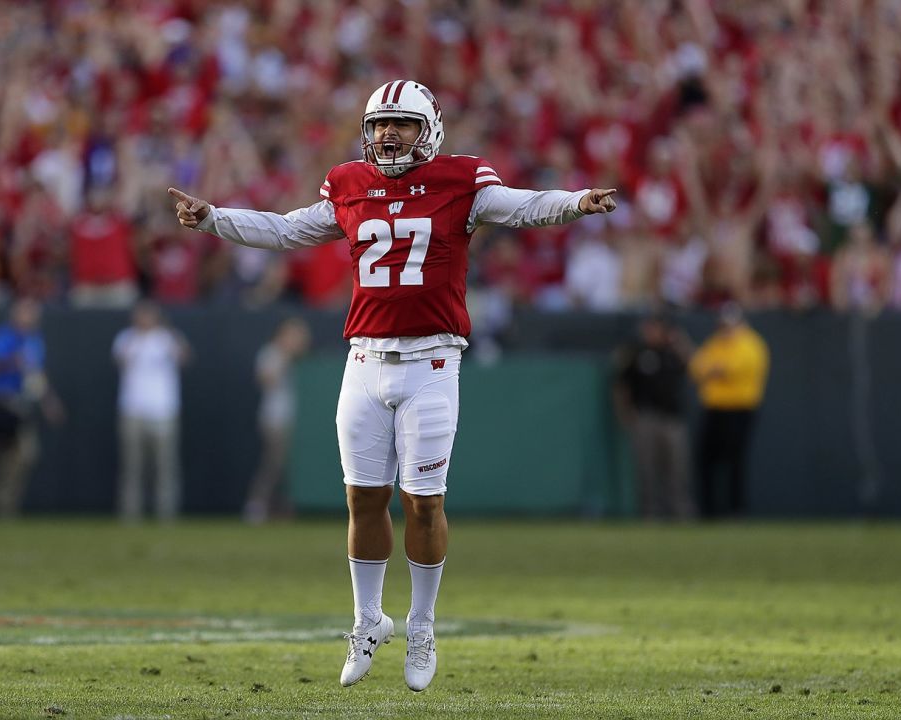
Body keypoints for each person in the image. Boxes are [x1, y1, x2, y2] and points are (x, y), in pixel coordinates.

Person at [168, 80, 618, 692]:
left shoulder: (462, 180)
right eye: (380, 123)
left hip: (433, 361)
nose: (388, 134)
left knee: (425, 501)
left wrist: (575, 202)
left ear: (429, 127)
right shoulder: (350, 183)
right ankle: (367, 619)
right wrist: (215, 218)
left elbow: (521, 205)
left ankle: (423, 622)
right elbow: (286, 229)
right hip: (363, 361)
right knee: (362, 499)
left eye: (402, 123)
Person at [112, 301, 192, 521]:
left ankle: (166, 513)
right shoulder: (126, 338)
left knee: (165, 466)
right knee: (132, 466)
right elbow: (120, 360)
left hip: (163, 411)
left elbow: (185, 357)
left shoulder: (167, 339)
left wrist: (169, 333)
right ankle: (130, 513)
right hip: (133, 409)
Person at [688, 303, 770, 518]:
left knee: (735, 460)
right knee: (706, 460)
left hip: (739, 409)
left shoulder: (751, 343)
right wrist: (713, 370)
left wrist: (715, 370)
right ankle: (708, 511)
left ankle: (736, 509)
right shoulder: (715, 343)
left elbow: (731, 369)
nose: (726, 329)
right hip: (714, 408)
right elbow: (697, 367)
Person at [613, 316, 696, 521]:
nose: (651, 333)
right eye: (649, 328)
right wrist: (625, 412)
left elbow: (695, 365)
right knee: (646, 468)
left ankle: (680, 512)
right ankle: (650, 513)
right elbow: (621, 384)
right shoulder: (636, 353)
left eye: (656, 329)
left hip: (672, 417)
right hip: (646, 416)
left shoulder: (673, 352)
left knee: (677, 468)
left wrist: (680, 341)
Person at [0, 298, 63, 517]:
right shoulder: (3, 337)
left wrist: (49, 402)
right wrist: (12, 361)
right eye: (25, 312)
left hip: (18, 405)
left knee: (24, 453)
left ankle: (3, 505)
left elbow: (36, 375)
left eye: (32, 313)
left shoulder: (34, 341)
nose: (29, 317)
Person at [243, 317, 311, 524]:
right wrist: (285, 358)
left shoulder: (303, 360)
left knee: (290, 466)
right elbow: (266, 380)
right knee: (274, 463)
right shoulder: (271, 353)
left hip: (295, 419)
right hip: (274, 419)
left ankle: (283, 508)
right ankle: (256, 505)